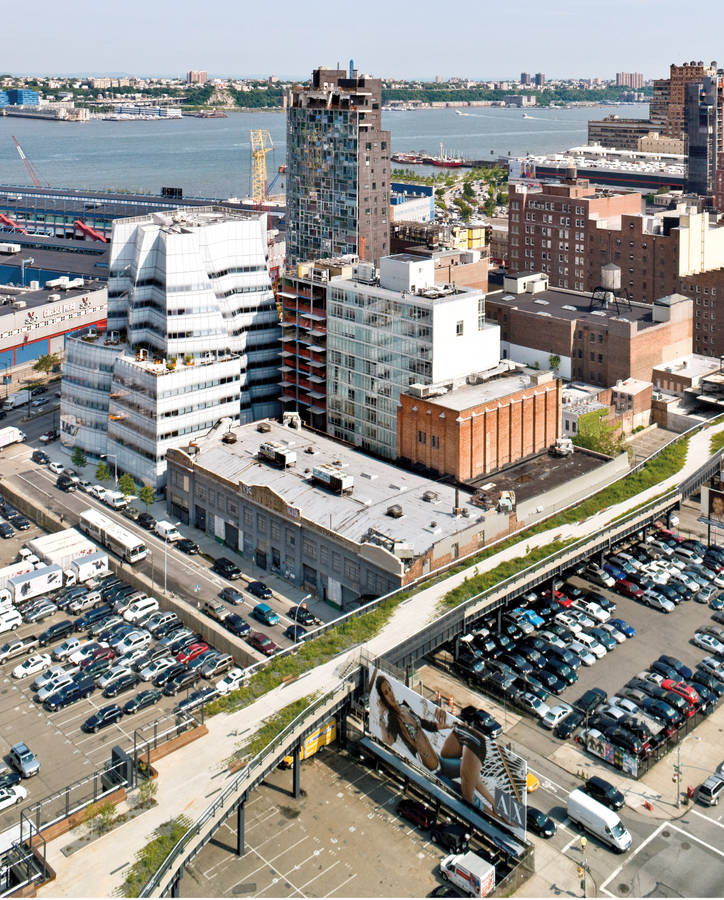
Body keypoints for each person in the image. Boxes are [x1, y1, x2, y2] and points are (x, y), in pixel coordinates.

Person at [371, 672, 503, 818]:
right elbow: (388, 740)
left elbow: (426, 724)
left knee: (468, 769)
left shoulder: (404, 706)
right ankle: (495, 816)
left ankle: (494, 803)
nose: (390, 694)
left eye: (389, 689)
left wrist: (446, 726)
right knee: (465, 793)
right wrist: (382, 717)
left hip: (440, 761)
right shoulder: (393, 719)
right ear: (383, 699)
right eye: (385, 693)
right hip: (434, 771)